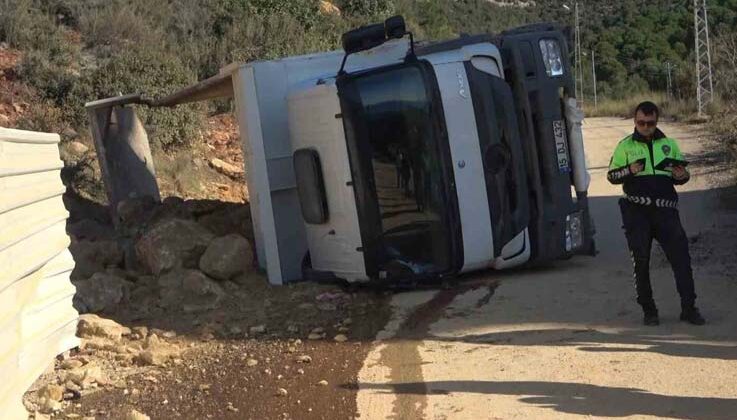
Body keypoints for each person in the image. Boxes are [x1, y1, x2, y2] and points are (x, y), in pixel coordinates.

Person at [607, 101, 705, 326]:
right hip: (636, 212)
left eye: (650, 123)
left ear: (656, 121)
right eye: (641, 123)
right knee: (640, 261)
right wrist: (629, 170)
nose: (646, 127)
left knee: (681, 259)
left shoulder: (669, 144)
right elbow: (612, 177)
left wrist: (681, 175)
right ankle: (649, 310)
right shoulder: (624, 146)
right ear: (635, 121)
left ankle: (689, 308)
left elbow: (682, 178)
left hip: (666, 211)